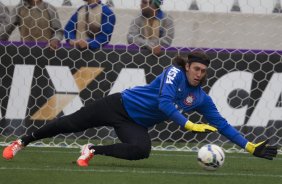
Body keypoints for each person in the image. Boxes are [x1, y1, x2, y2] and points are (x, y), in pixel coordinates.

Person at [3, 51, 278, 167]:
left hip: (133, 124)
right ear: (187, 67)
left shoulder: (201, 98)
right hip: (118, 105)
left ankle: (92, 150)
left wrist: (250, 146)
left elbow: (223, 124)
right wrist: (188, 125)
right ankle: (22, 141)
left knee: (142, 151)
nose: (199, 74)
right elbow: (163, 103)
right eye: (196, 69)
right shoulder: (173, 73)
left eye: (204, 71)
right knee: (68, 123)